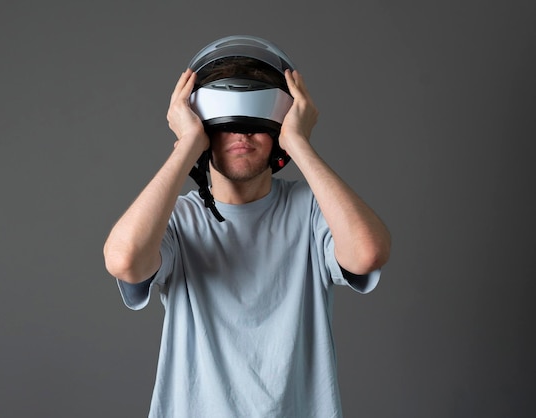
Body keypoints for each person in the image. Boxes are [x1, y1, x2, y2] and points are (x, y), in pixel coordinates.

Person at [103, 35, 391, 418]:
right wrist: (188, 144)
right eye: (226, 126)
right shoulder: (178, 218)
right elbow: (124, 261)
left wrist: (300, 144)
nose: (241, 135)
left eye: (258, 126)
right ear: (205, 134)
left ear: (278, 134)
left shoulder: (310, 211)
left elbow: (368, 253)